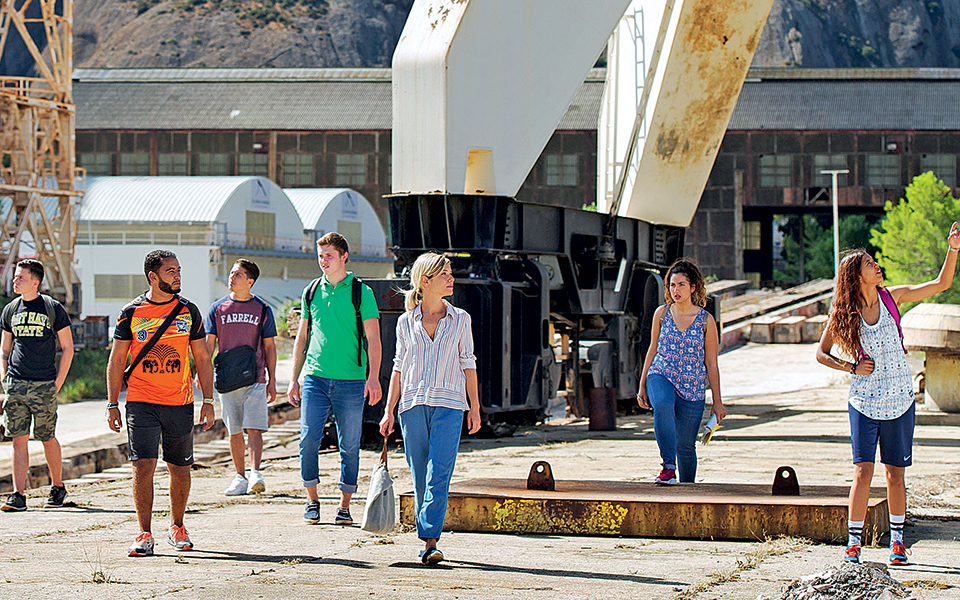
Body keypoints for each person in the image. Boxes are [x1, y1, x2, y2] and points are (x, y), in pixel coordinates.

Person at [816, 225, 960, 566]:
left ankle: (897, 544)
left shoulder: (892, 297)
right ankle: (853, 545)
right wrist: (850, 368)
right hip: (863, 402)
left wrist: (953, 249)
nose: (876, 265)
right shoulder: (843, 313)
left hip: (900, 401)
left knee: (895, 474)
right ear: (856, 275)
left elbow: (941, 285)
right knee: (862, 472)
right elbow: (821, 353)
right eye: (869, 263)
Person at [106, 250, 215, 557]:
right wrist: (112, 403)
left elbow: (202, 357)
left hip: (180, 401)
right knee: (143, 466)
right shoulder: (131, 312)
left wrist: (208, 399)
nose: (177, 276)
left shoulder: (189, 311)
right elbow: (116, 360)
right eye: (170, 271)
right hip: (141, 401)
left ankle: (177, 526)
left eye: (178, 270)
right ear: (153, 277)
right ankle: (144, 533)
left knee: (180, 467)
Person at [379, 252, 481, 565]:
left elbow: (468, 365)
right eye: (445, 274)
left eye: (450, 273)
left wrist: (474, 409)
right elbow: (398, 367)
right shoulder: (405, 323)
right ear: (426, 281)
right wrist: (388, 410)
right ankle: (429, 541)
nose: (452, 278)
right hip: (411, 405)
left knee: (440, 473)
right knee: (420, 473)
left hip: (450, 404)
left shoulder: (461, 319)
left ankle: (430, 539)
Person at [288, 232, 382, 526]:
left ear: (344, 257)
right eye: (320, 256)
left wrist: (374, 378)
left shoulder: (361, 293)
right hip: (315, 377)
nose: (323, 261)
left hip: (351, 381)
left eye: (329, 255)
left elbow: (374, 340)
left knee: (350, 445)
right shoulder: (311, 291)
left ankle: (344, 505)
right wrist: (294, 378)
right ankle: (312, 500)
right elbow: (302, 337)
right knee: (307, 441)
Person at [637, 258, 725, 485]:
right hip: (661, 374)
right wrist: (642, 383)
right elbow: (653, 348)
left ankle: (688, 492)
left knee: (686, 446)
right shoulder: (662, 314)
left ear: (693, 287)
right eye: (672, 285)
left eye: (681, 285)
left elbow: (711, 363)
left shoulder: (706, 321)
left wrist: (717, 401)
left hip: (693, 386)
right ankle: (668, 466)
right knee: (663, 405)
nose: (676, 290)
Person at [0, 259, 74, 511]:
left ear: (35, 281)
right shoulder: (11, 310)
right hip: (16, 384)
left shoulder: (52, 308)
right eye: (15, 276)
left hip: (44, 384)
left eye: (20, 277)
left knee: (46, 436)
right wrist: (4, 378)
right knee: (18, 439)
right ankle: (18, 495)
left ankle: (57, 487)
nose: (15, 280)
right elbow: (4, 349)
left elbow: (68, 348)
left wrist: (57, 383)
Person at [205, 258, 278, 496]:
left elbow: (269, 347)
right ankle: (240, 476)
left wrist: (272, 380)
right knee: (234, 429)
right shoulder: (217, 309)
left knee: (254, 427)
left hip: (254, 376)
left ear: (250, 281)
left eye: (238, 274)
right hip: (226, 378)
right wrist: (201, 373)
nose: (232, 277)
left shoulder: (262, 309)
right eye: (231, 273)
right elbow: (208, 346)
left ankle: (256, 472)